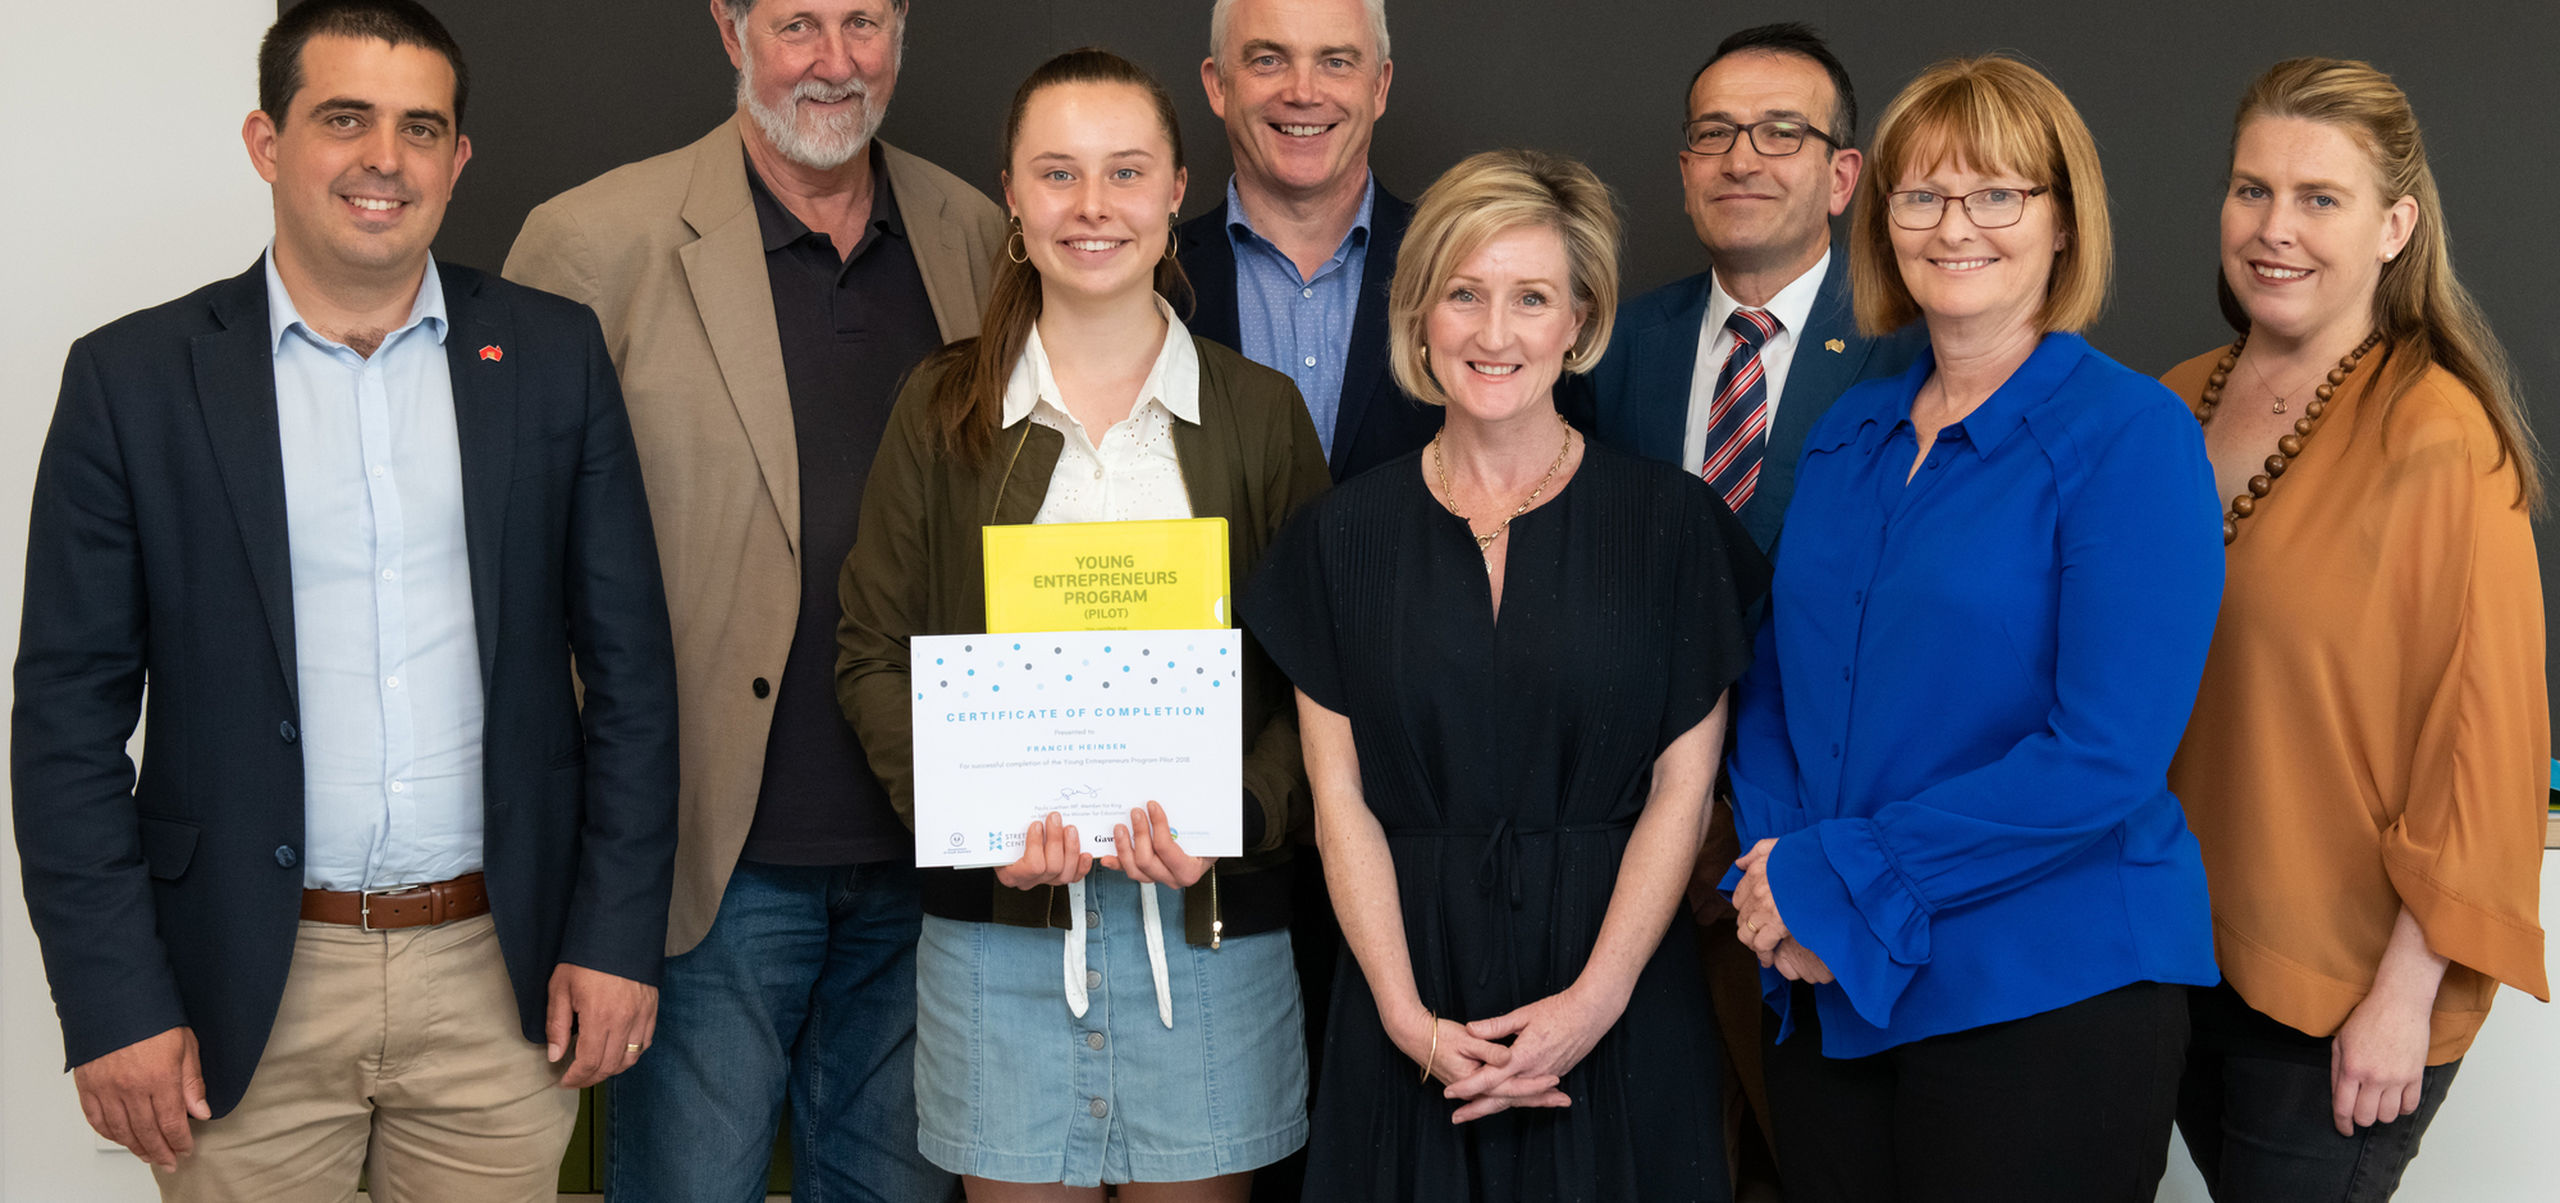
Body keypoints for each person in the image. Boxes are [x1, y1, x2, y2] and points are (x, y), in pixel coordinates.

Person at [10, 2, 678, 1200]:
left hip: (497, 979)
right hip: (241, 989)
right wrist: (110, 1000)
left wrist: (615, 937)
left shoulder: (550, 357)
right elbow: (65, 722)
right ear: (268, 142)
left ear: (458, 159)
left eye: (421, 127)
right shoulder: (134, 382)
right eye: (345, 119)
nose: (386, 158)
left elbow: (631, 675)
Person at [501, 0, 1005, 1196]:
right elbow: (514, 585)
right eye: (796, 24)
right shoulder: (590, 243)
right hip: (704, 876)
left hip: (930, 865)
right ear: (728, 29)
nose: (835, 62)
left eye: (864, 22)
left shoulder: (979, 235)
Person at [1721, 55, 2226, 1202]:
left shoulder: (2129, 437)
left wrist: (1841, 882)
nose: (1956, 226)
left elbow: (2104, 752)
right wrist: (1784, 883)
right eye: (1922, 195)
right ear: (1881, 216)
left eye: (1998, 194)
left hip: (2045, 995)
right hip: (1824, 984)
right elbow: (1772, 690)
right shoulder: (1851, 431)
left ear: (2061, 223)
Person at [834, 49, 1326, 1200]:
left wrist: (1237, 815)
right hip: (998, 941)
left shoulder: (1258, 417)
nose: (1092, 207)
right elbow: (870, 655)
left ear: (1174, 193)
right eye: (1058, 174)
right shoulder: (940, 407)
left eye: (1125, 173)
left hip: (1206, 937)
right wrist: (968, 816)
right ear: (1010, 194)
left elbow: (1324, 680)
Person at [1242, 147, 1766, 1201]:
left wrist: (1594, 1003)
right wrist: (1402, 1014)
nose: (1493, 333)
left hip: (1617, 999)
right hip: (1407, 997)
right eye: (1464, 295)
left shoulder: (1670, 529)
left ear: (1579, 319)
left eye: (1530, 298)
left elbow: (1681, 791)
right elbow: (1337, 801)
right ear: (1419, 316)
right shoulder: (1338, 538)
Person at [2160, 57, 2548, 1203]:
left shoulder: (2440, 437)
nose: (2274, 229)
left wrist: (2403, 994)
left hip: (2343, 983)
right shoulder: (2172, 399)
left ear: (2394, 226)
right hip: (2181, 953)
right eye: (2251, 190)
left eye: (2318, 199)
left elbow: (2484, 746)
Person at [1556, 23, 1923, 1185]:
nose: (1741, 158)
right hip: (1630, 838)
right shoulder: (1610, 345)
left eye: (1781, 132)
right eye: (1712, 133)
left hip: (1821, 840)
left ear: (1842, 173)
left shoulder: (1911, 353)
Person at [1183, 0, 1438, 481]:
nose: (1303, 92)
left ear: (1379, 86)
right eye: (1268, 60)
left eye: (1336, 62)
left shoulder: (1454, 266)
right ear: (1218, 85)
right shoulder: (1151, 280)